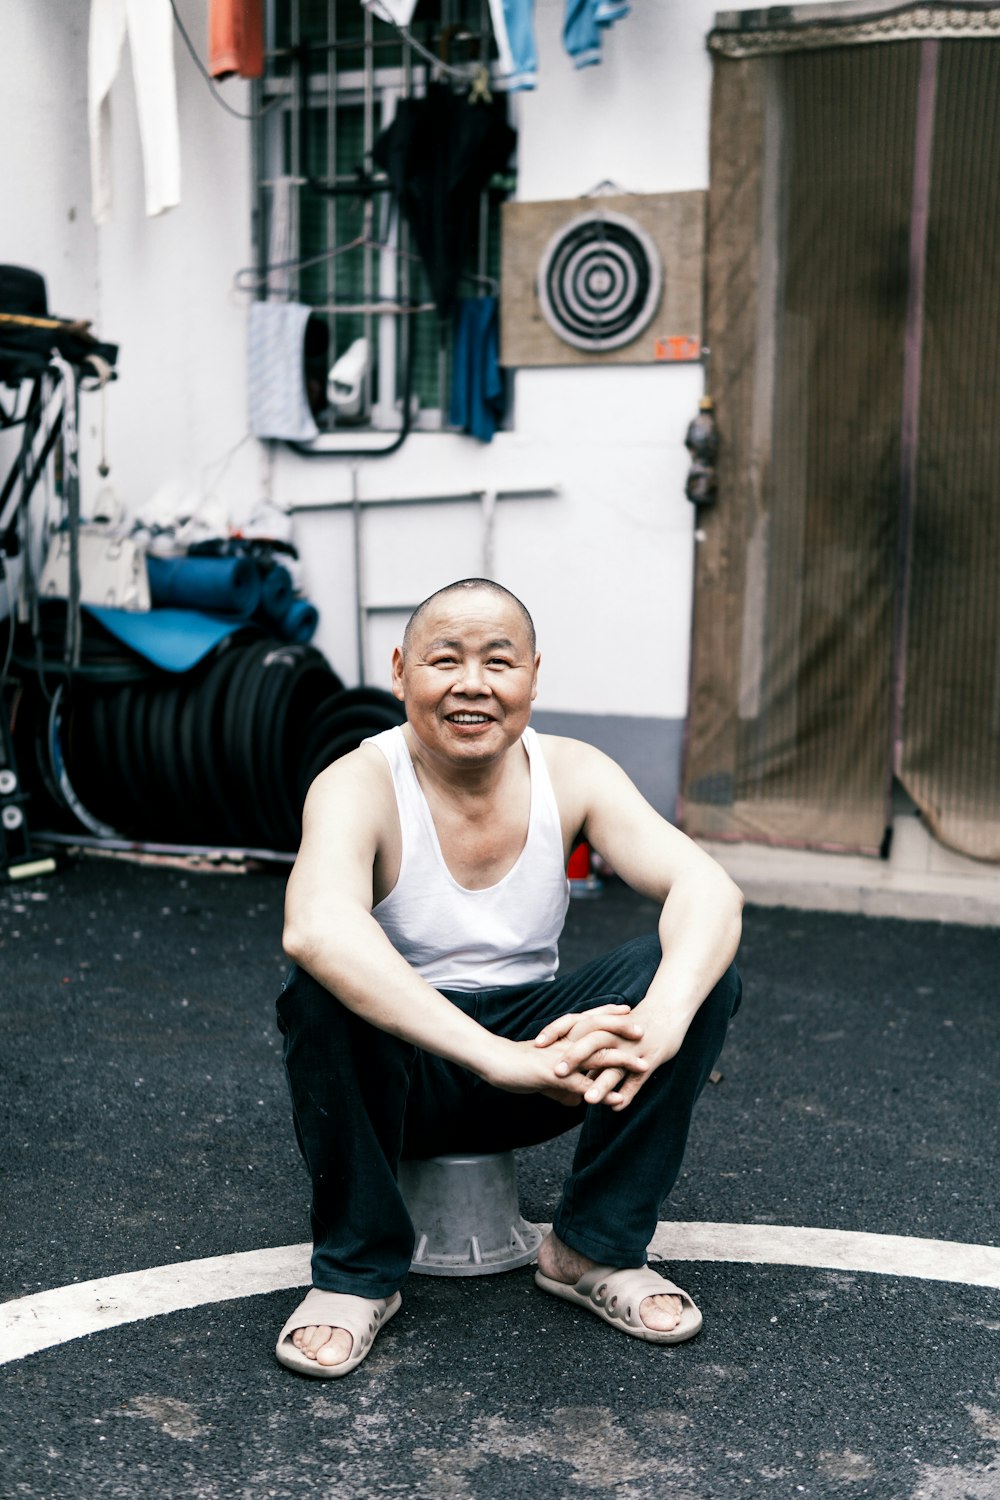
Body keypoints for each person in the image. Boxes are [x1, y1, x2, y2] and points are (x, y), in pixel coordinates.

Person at [275, 578, 743, 1377]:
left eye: (498, 661)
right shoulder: (358, 782)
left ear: (532, 676)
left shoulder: (574, 771)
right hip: (408, 1073)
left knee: (695, 969)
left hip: (546, 1065)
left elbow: (709, 890)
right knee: (322, 985)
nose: (472, 684)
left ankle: (591, 1250)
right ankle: (355, 1276)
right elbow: (316, 925)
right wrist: (497, 1056)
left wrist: (658, 1022)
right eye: (444, 659)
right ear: (399, 672)